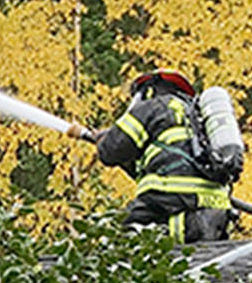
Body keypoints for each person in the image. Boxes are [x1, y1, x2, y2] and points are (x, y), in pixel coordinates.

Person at [94, 69, 233, 243]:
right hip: (215, 205)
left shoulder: (155, 107)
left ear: (149, 91)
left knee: (121, 239)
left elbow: (111, 150)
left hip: (169, 196)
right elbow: (147, 165)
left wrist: (102, 140)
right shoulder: (198, 119)